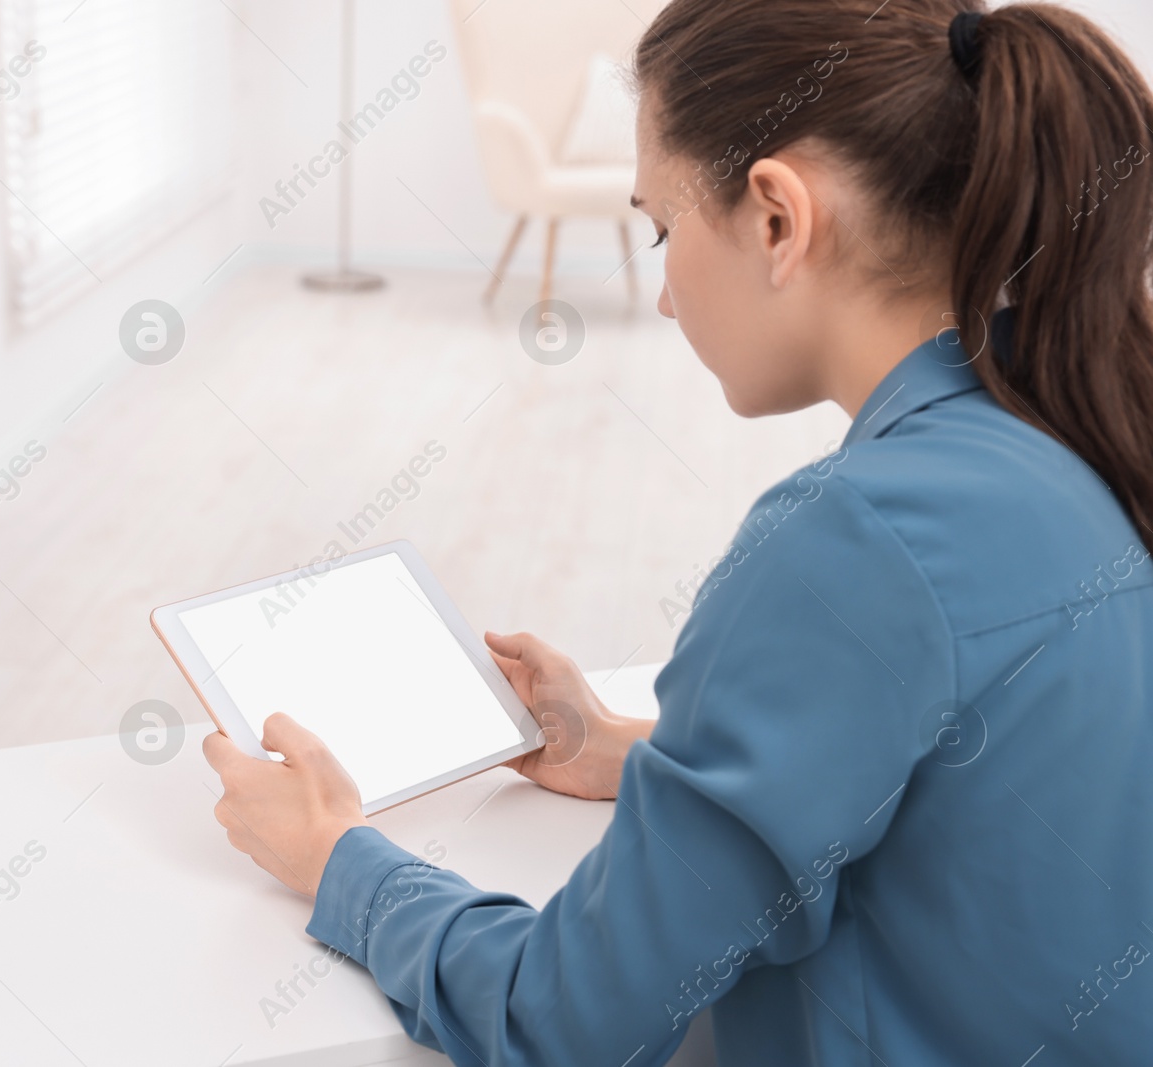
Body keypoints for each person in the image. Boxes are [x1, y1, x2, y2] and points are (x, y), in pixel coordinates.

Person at [202, 1, 1153, 1062]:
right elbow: (966, 775)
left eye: (661, 227)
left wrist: (340, 858)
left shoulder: (857, 538)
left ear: (778, 219)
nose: (660, 292)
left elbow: (562, 1020)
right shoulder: (1088, 425)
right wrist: (634, 751)